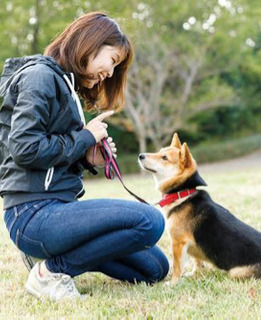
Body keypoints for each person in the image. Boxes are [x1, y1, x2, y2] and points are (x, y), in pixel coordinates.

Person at [0, 12, 169, 301]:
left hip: (57, 209)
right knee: (150, 221)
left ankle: (48, 258)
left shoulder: (66, 87)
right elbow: (25, 149)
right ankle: (51, 273)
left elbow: (52, 154)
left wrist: (87, 158)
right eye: (112, 60)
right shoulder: (39, 77)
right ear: (90, 43)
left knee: (155, 268)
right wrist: (85, 137)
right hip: (31, 213)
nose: (111, 73)